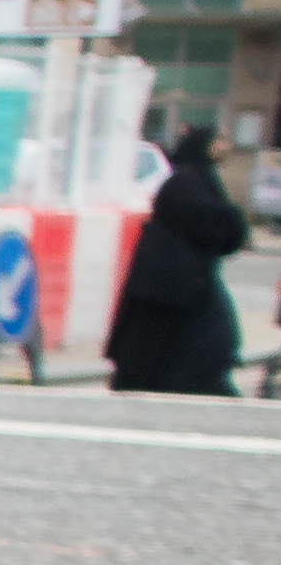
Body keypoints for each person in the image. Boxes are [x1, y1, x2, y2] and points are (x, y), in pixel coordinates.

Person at [105, 124, 254, 395]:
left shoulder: (198, 179)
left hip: (182, 285)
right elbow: (210, 223)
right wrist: (234, 223)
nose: (226, 146)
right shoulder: (184, 183)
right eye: (219, 140)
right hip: (170, 286)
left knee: (188, 348)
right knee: (180, 349)